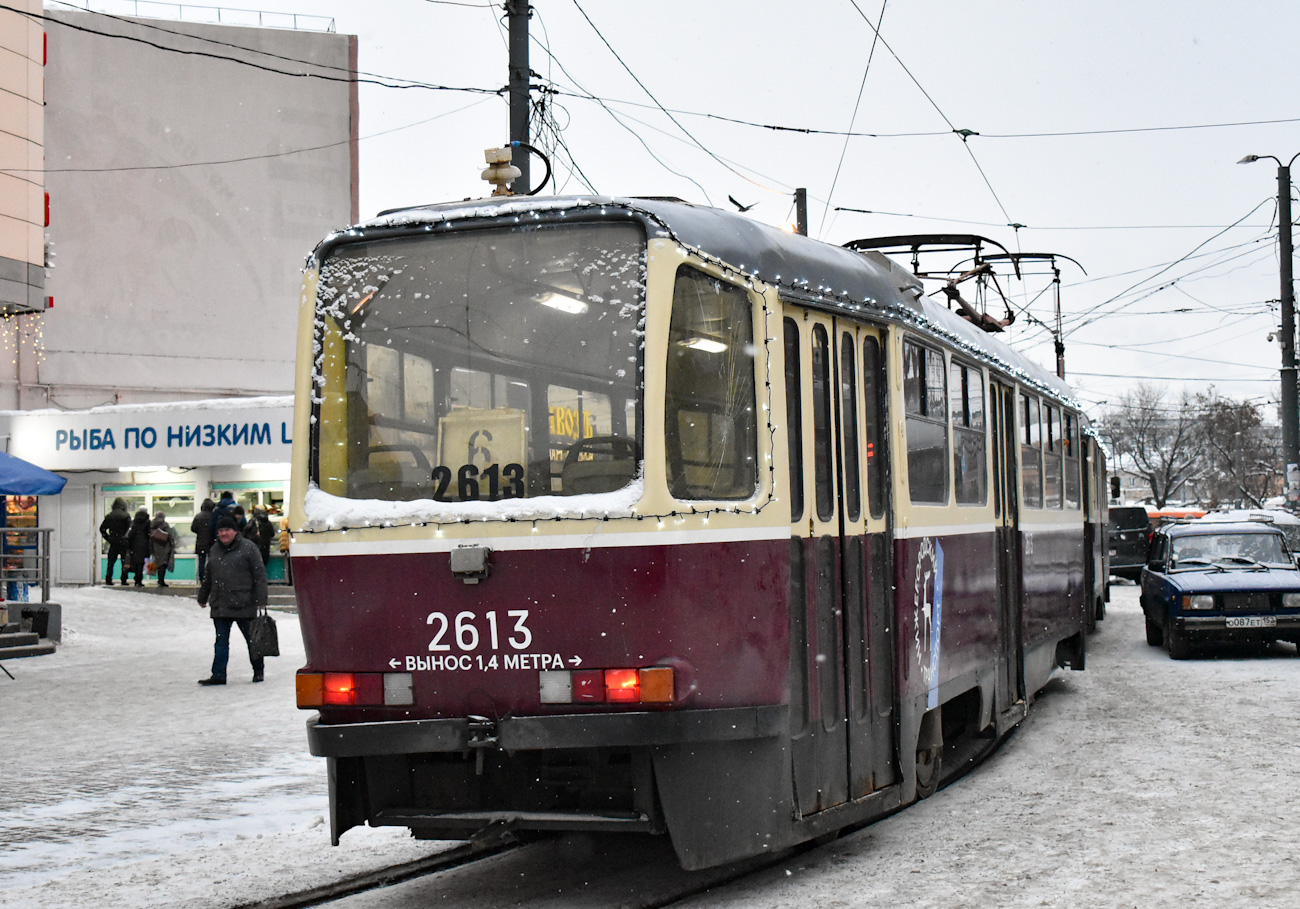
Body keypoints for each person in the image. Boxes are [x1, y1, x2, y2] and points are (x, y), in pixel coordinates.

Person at [197, 514, 268, 685]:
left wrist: (261, 598)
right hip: (220, 604)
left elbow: (259, 575)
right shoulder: (214, 549)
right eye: (220, 530)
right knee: (221, 642)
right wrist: (203, 596)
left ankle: (258, 670)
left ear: (235, 532)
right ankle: (218, 675)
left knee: (252, 641)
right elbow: (209, 575)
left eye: (227, 530)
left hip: (244, 603)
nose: (223, 533)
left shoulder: (249, 548)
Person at [98, 497, 132, 585]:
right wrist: (126, 538)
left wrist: (108, 538)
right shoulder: (126, 515)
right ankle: (124, 579)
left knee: (111, 562)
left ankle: (108, 579)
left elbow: (102, 529)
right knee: (124, 562)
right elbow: (130, 529)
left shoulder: (110, 516)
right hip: (123, 542)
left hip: (113, 542)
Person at [148, 511, 179, 588]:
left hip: (155, 547)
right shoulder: (165, 525)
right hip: (164, 547)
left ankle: (155, 578)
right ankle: (161, 580)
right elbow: (170, 536)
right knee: (163, 564)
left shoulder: (152, 524)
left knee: (157, 563)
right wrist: (173, 545)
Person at [124, 508, 152, 587]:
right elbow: (149, 533)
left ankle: (136, 578)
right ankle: (139, 580)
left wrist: (129, 545)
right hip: (144, 544)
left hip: (135, 545)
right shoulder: (147, 521)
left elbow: (131, 534)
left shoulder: (135, 522)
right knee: (141, 562)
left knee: (136, 562)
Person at [191, 498, 214, 583]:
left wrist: (200, 532)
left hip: (201, 542)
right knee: (212, 561)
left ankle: (202, 579)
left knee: (201, 562)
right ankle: (211, 578)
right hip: (211, 542)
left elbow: (193, 528)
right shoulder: (213, 516)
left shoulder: (198, 516)